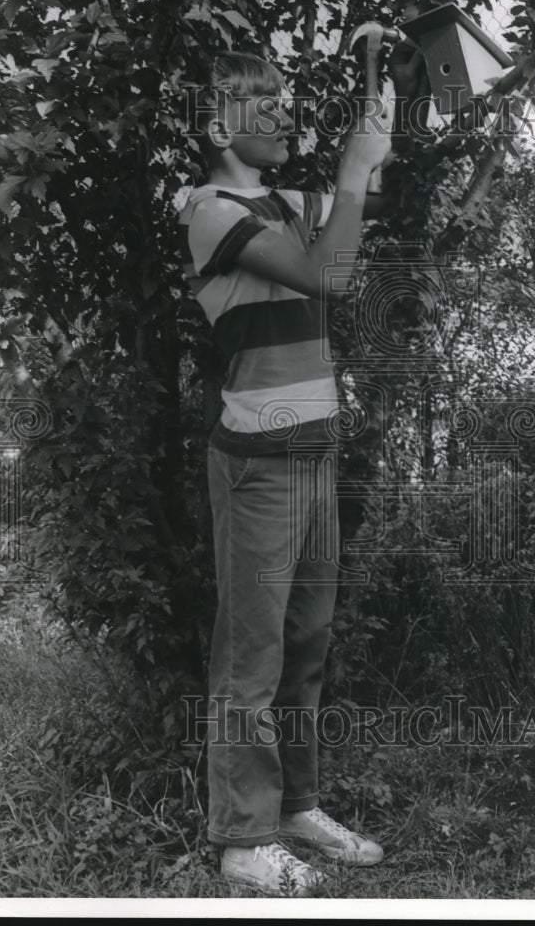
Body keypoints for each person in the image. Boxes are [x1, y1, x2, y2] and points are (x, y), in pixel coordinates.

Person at [178, 45, 421, 895]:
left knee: (305, 644)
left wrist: (385, 125)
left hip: (313, 452)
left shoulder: (287, 198)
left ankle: (295, 808)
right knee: (251, 656)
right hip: (258, 465)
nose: (284, 114)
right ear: (219, 128)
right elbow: (333, 274)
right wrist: (351, 179)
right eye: (263, 104)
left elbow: (377, 197)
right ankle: (242, 841)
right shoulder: (211, 209)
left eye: (286, 99)